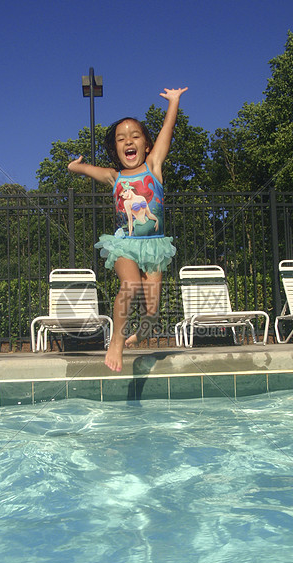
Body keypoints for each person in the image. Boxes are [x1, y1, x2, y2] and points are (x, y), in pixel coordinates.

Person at [68, 87, 188, 372]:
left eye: (135, 136)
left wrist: (174, 102)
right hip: (125, 244)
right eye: (121, 138)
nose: (128, 141)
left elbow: (166, 133)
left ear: (146, 145)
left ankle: (144, 331)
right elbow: (91, 171)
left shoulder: (154, 166)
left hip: (155, 246)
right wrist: (76, 168)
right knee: (130, 285)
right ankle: (117, 342)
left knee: (152, 312)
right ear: (115, 149)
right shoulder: (115, 177)